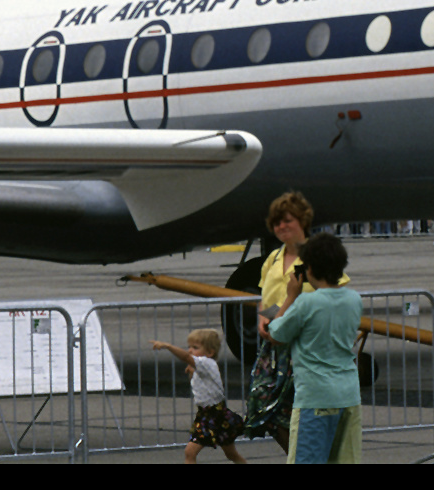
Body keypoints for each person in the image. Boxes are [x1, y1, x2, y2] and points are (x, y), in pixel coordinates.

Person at [244, 190, 348, 452]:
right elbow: (266, 298)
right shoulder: (273, 258)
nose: (281, 226)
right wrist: (262, 318)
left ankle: (307, 457)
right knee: (261, 405)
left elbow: (339, 293)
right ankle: (302, 456)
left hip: (306, 345)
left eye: (287, 220)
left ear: (302, 221)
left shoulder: (318, 255)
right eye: (277, 222)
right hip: (275, 346)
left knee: (300, 412)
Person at [265, 232, 363, 464]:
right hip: (348, 393)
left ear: (308, 269)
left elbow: (276, 333)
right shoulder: (354, 299)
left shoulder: (307, 303)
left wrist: (290, 297)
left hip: (316, 396)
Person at [151, 329, 247, 463]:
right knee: (226, 453)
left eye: (195, 348)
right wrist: (192, 371)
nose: (190, 350)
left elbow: (185, 357)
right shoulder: (201, 365)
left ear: (210, 352)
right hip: (206, 413)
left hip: (215, 414)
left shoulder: (206, 363)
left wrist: (168, 346)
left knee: (193, 452)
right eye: (189, 347)